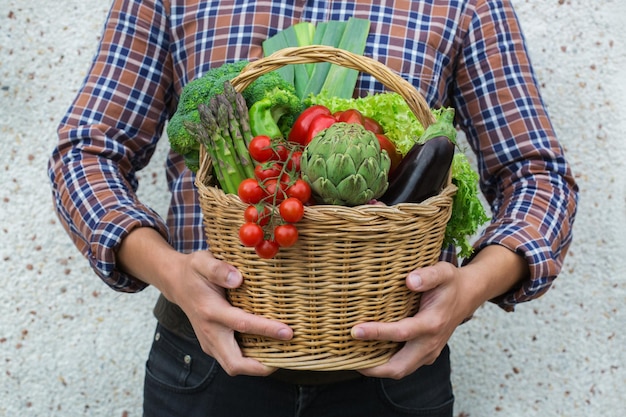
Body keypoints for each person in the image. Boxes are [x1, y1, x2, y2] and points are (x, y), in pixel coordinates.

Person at [48, 0, 578, 416]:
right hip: (204, 366)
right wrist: (171, 273)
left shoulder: (462, 3)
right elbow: (86, 154)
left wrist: (470, 287)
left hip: (392, 371)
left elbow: (538, 176)